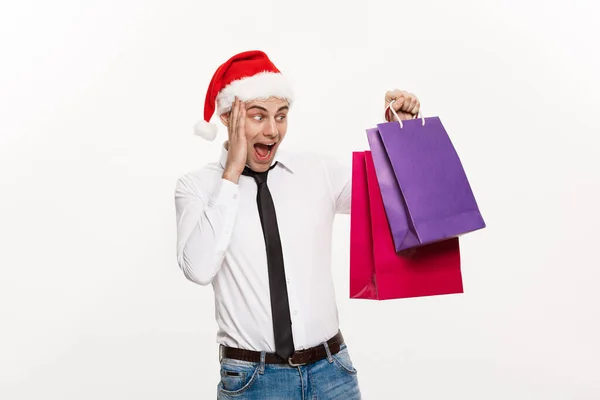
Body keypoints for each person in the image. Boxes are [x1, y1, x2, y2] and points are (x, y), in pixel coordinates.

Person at [174, 50, 421, 399]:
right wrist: (230, 174)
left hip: (333, 371)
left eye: (281, 116)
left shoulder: (318, 171)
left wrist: (403, 134)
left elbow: (396, 203)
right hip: (253, 382)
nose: (272, 131)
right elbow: (198, 269)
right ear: (228, 117)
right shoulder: (197, 187)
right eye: (258, 116)